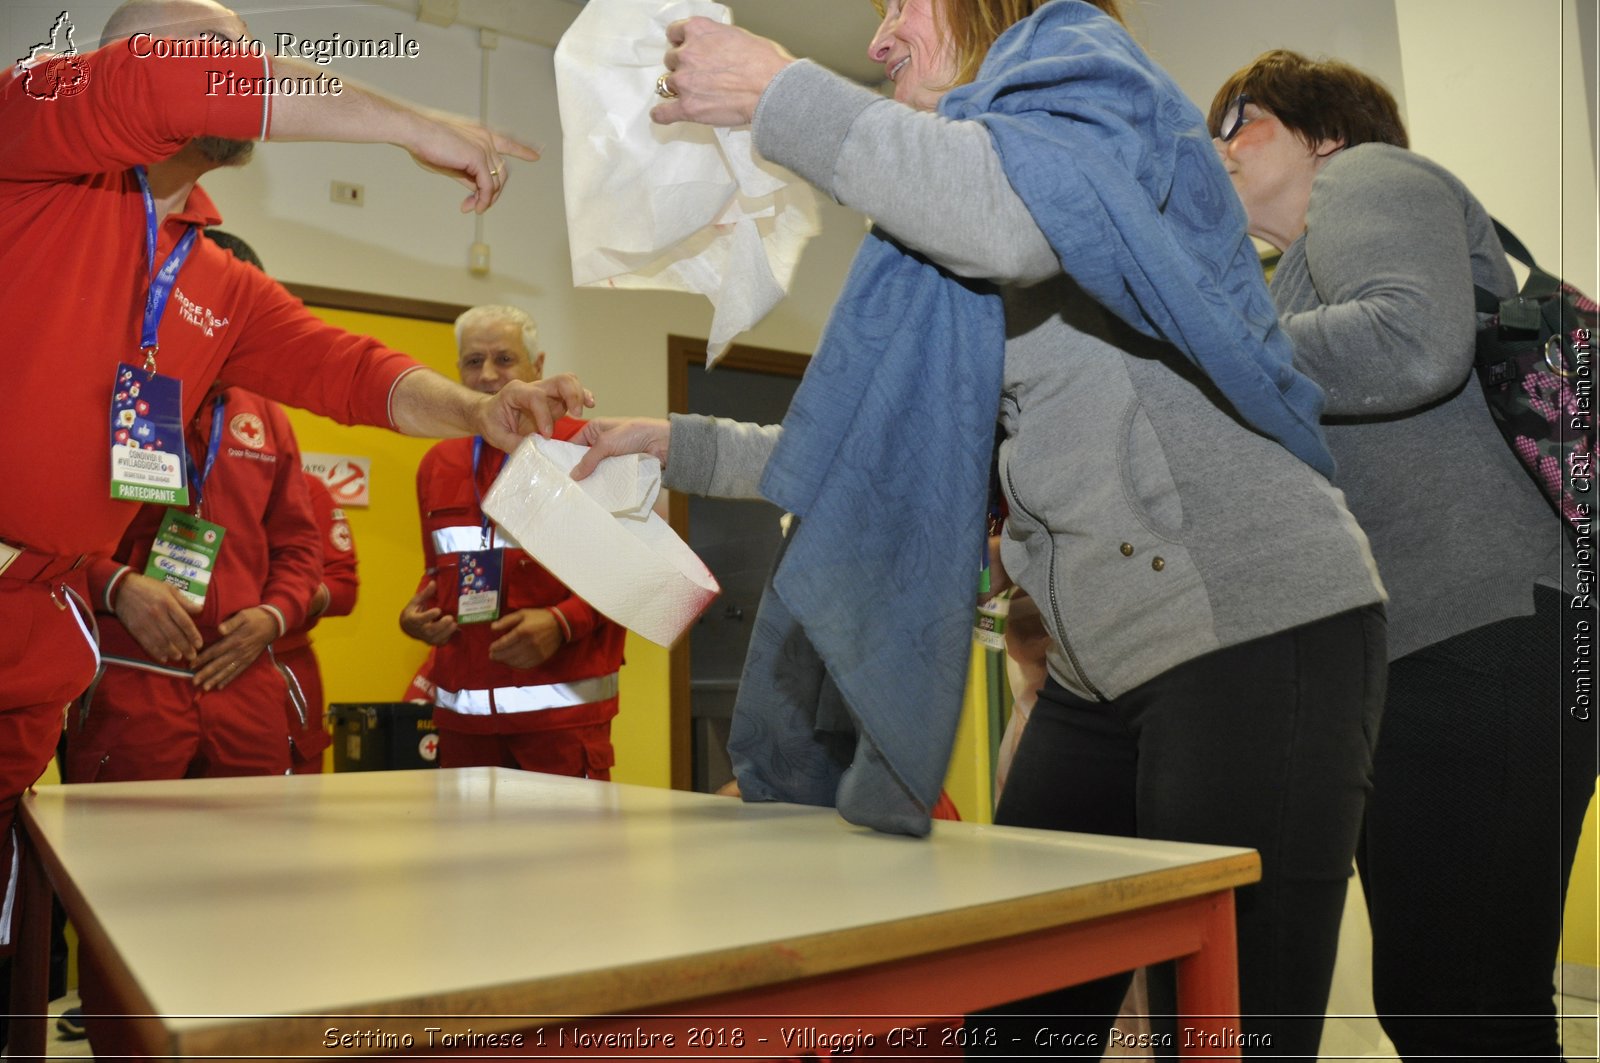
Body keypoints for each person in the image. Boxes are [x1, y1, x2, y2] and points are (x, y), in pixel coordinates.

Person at [574, 0, 1389, 1054]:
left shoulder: (1084, 66)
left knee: (1231, 1031)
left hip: (1252, 621)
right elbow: (866, 443)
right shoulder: (947, 203)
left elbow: (1005, 217)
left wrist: (781, 90)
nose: (874, 42)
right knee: (1018, 1020)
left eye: (896, 5)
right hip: (1098, 662)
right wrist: (668, 443)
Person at [0, 0, 590, 981]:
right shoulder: (29, 137)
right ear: (116, 63)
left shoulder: (207, 268)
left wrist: (476, 411)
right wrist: (411, 122)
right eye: (215, 49)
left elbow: (349, 369)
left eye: (247, 48)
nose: (242, 65)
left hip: (33, 664)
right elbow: (158, 81)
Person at [1208, 50, 1596, 1059]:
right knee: (1446, 994)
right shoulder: (1290, 272)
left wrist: (1203, 338)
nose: (1216, 146)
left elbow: (1408, 344)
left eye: (1238, 121)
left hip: (1482, 628)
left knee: (1463, 1000)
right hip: (1444, 639)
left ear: (1322, 133)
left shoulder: (1369, 177)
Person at [399, 306, 626, 778]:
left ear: (537, 367)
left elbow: (629, 572)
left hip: (560, 725)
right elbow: (438, 573)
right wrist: (419, 617)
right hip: (465, 727)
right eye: (472, 361)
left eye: (504, 359)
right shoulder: (437, 463)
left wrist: (562, 622)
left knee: (567, 856)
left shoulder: (588, 450)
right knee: (468, 855)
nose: (487, 375)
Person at [277, 472, 360, 774]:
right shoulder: (176, 477)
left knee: (286, 801)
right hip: (179, 660)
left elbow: (343, 588)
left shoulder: (303, 487)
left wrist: (278, 604)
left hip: (282, 663)